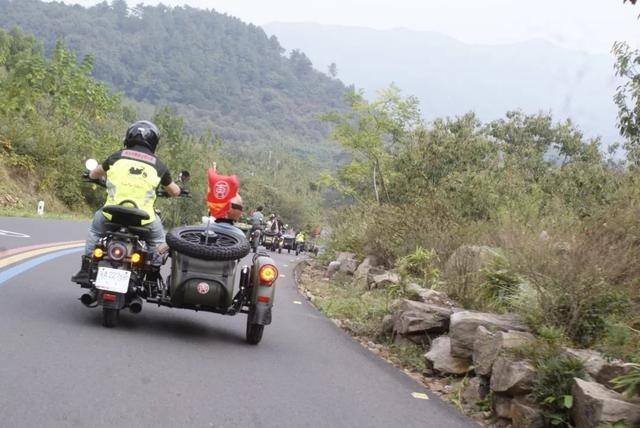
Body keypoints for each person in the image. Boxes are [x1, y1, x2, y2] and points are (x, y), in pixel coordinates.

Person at [72, 120, 184, 284]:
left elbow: (95, 174)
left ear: (129, 137)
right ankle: (152, 274)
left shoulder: (117, 156)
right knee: (158, 241)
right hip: (144, 219)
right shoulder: (159, 166)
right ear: (153, 142)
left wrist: (90, 176)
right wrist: (180, 190)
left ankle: (85, 267)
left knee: (95, 231)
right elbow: (174, 191)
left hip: (111, 214)